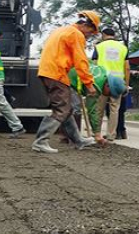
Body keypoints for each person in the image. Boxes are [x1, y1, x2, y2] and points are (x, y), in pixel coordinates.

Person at [32, 12, 99, 153]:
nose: (90, 35)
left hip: (47, 71)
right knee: (62, 108)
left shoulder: (62, 30)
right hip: (56, 73)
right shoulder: (76, 34)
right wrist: (89, 83)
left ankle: (78, 140)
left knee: (66, 109)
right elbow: (81, 61)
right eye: (91, 32)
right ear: (86, 25)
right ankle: (41, 141)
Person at [69, 63, 127, 144]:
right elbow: (92, 110)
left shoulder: (103, 71)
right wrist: (97, 134)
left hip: (69, 72)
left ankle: (71, 138)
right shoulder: (95, 86)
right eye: (110, 93)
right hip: (68, 80)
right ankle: (73, 139)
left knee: (69, 109)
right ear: (108, 85)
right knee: (74, 110)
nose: (109, 96)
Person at [94, 26, 130, 140]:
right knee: (115, 110)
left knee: (99, 110)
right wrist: (126, 85)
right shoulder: (123, 48)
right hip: (118, 82)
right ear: (114, 36)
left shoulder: (99, 47)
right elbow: (127, 68)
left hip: (103, 82)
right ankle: (111, 135)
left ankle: (97, 134)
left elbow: (94, 66)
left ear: (103, 35)